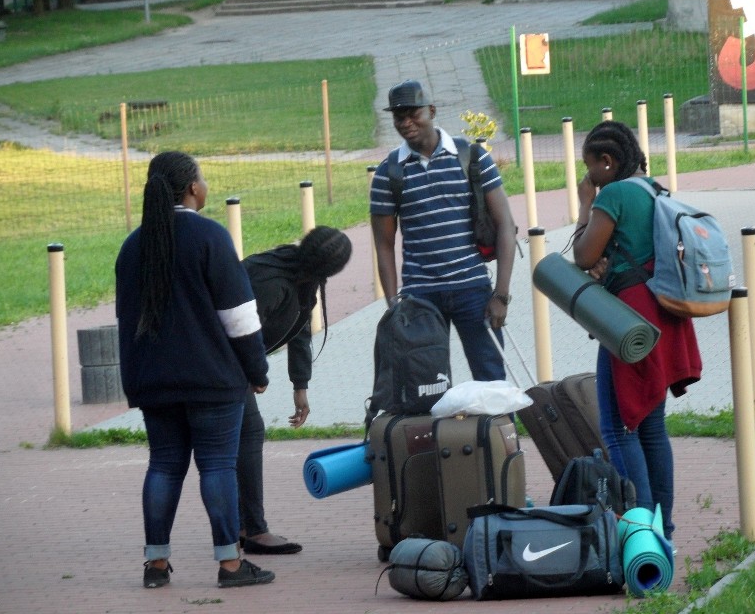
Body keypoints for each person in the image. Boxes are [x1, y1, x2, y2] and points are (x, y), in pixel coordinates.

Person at [116, 151, 275, 589]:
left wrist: (136, 383)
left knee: (164, 466)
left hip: (153, 382)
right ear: (191, 188)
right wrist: (257, 370)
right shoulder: (210, 237)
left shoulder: (132, 246)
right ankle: (229, 565)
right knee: (217, 466)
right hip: (212, 380)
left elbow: (124, 321)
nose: (206, 185)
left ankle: (156, 566)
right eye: (202, 178)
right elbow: (239, 317)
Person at [571, 121, 702, 541]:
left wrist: (585, 203)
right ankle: (664, 530)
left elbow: (582, 254)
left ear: (607, 163)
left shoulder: (612, 193)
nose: (587, 176)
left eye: (590, 168)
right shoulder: (654, 189)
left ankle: (643, 536)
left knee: (619, 427)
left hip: (628, 323)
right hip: (663, 316)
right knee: (651, 426)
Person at [369, 79, 517, 381]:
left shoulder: (473, 158)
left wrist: (500, 295)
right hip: (420, 295)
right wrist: (393, 305)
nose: (406, 123)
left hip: (473, 290)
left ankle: (497, 431)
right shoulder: (388, 173)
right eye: (399, 116)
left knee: (492, 381)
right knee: (426, 387)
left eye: (414, 114)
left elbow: (505, 226)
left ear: (432, 111)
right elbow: (383, 245)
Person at [237, 225, 353, 555]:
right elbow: (240, 333)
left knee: (241, 438)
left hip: (235, 363)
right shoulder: (272, 283)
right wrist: (254, 371)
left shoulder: (301, 274)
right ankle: (251, 531)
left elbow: (300, 328)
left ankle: (243, 527)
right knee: (245, 435)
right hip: (218, 358)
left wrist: (300, 386)